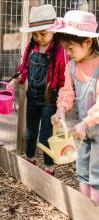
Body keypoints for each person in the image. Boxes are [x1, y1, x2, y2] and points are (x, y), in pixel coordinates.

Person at [10, 4, 67, 176]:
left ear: (53, 31)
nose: (39, 37)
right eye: (35, 33)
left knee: (45, 137)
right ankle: (30, 160)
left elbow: (64, 79)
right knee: (30, 133)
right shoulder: (32, 47)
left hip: (50, 100)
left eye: (43, 33)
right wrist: (16, 80)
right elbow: (24, 69)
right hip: (33, 97)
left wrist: (61, 106)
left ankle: (49, 169)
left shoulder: (59, 51)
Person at [50, 10, 99, 203]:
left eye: (71, 49)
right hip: (83, 131)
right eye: (66, 49)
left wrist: (85, 123)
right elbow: (67, 91)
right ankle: (83, 208)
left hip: (93, 127)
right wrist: (60, 109)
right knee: (82, 167)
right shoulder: (72, 66)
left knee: (96, 171)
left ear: (87, 42)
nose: (68, 54)